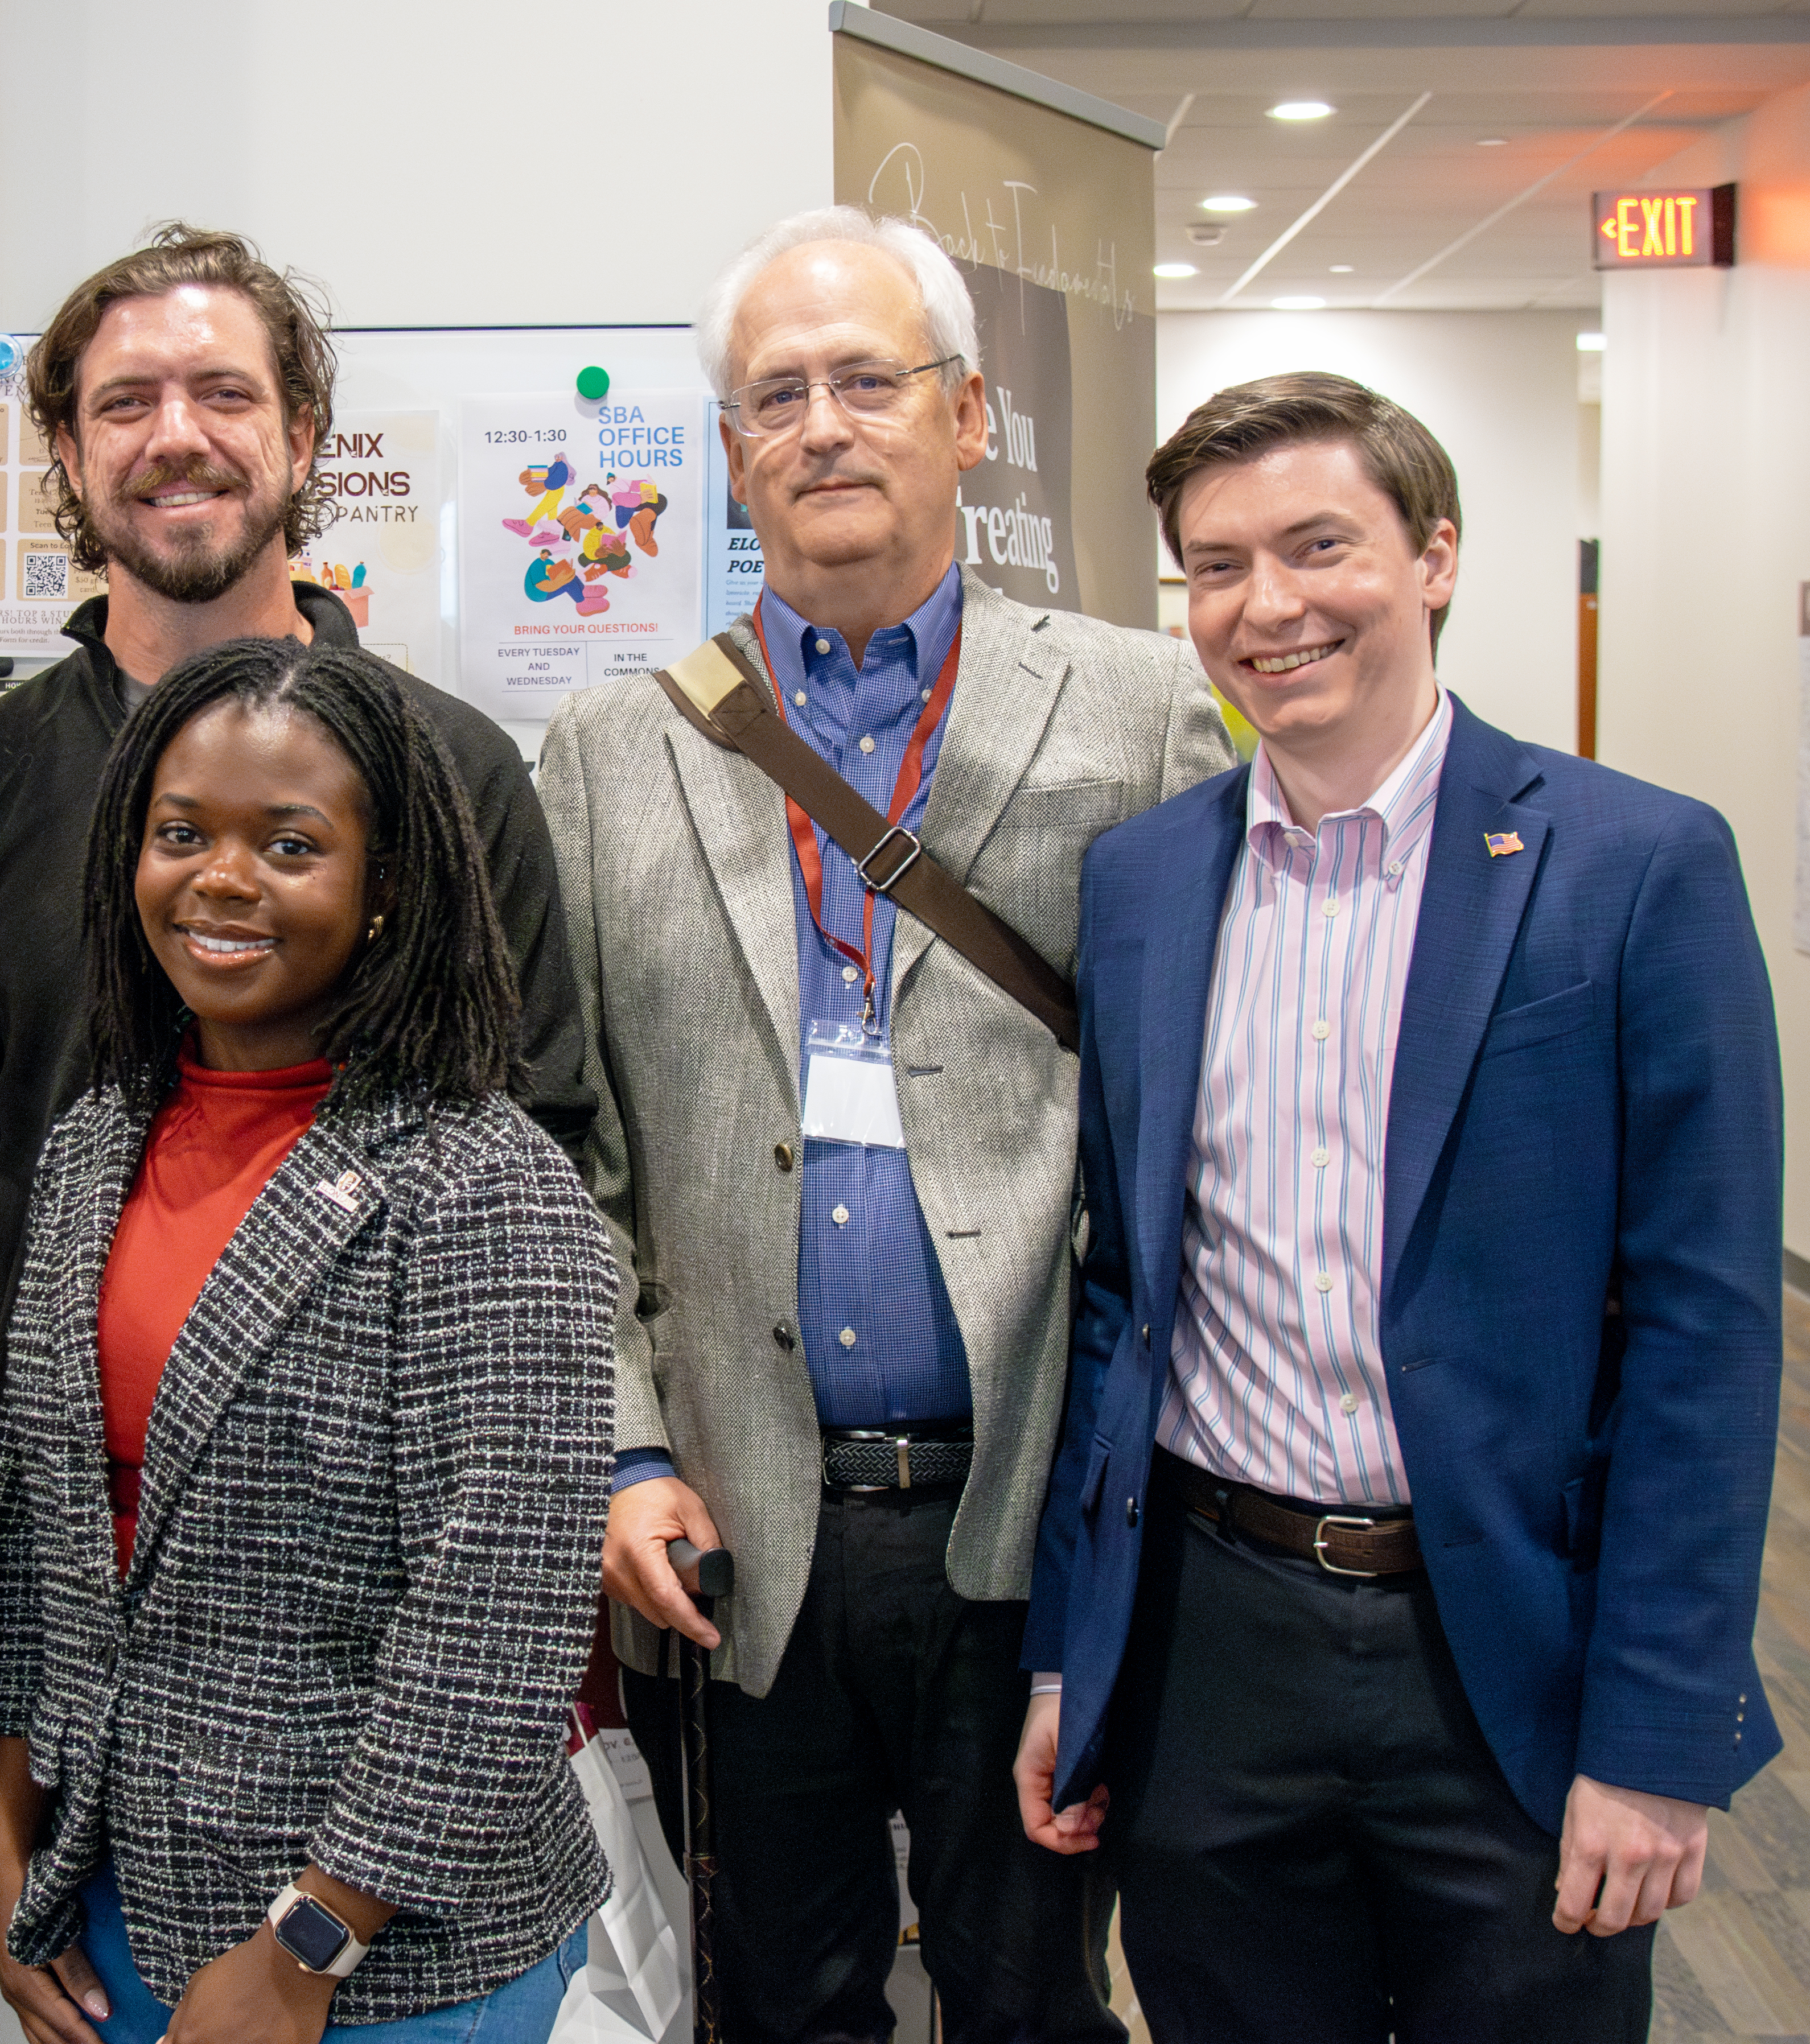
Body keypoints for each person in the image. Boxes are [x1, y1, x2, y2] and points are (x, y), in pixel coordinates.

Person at [1013, 372, 1783, 2040]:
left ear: (1433, 556)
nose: (1266, 607)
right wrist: (1075, 1655)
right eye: (1218, 567)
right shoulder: (1142, 882)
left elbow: (1706, 1338)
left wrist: (1657, 1739)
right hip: (1211, 1648)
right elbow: (1122, 1296)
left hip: (1506, 1648)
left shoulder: (1634, 866)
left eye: (1318, 547)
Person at [541, 206, 1238, 2042]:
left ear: (968, 413)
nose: (823, 426)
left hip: (1036, 1508)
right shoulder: (614, 751)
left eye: (868, 379)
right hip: (733, 1528)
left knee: (1033, 1999)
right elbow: (565, 1152)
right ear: (730, 449)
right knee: (777, 2004)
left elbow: (1201, 1125)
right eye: (776, 395)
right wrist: (620, 1452)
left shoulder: (1141, 709)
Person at [0, 638, 615, 2044]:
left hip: (384, 1960)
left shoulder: (481, 1180)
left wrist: (309, 1940)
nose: (221, 878)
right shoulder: (93, 1144)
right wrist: (8, 1819)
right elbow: (45, 1523)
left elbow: (496, 1618)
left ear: (387, 885)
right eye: (181, 834)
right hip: (114, 1899)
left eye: (290, 843)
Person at [0, 224, 591, 1395]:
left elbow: (537, 1128)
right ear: (69, 452)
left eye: (223, 394)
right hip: (49, 1465)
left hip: (374, 1458)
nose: (176, 436)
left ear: (301, 439)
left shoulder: (453, 771)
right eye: (125, 403)